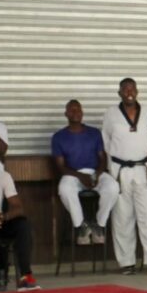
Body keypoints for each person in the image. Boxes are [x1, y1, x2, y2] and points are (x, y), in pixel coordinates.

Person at [103, 78, 147, 276]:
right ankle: (126, 262)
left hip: (143, 168)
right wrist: (112, 168)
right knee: (122, 216)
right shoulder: (111, 114)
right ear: (119, 92)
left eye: (132, 88)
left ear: (137, 91)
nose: (129, 92)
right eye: (125, 89)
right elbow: (106, 141)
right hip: (120, 168)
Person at [53, 100, 119, 245]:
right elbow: (60, 166)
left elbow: (103, 158)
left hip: (95, 172)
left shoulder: (94, 133)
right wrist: (80, 176)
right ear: (66, 114)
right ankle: (81, 225)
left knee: (113, 187)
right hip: (72, 174)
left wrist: (96, 175)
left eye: (78, 110)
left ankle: (99, 225)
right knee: (64, 189)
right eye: (72, 110)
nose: (75, 113)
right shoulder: (59, 137)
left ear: (82, 113)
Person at [0, 148, 39, 292]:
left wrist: (3, 217)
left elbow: (18, 207)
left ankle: (25, 277)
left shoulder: (4, 177)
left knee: (23, 225)